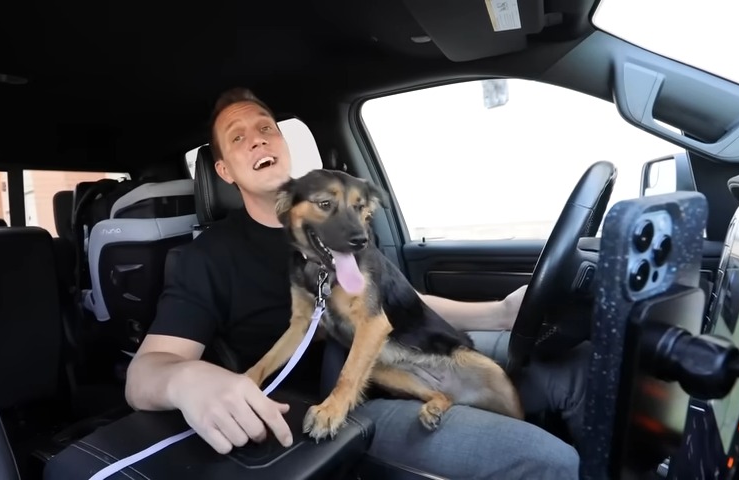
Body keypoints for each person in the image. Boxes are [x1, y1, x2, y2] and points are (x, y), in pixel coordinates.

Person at [124, 87, 588, 479]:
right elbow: (146, 372)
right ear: (224, 171)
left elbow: (395, 303)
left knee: (578, 371)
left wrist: (500, 313)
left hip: (405, 350)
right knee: (551, 462)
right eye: (238, 137)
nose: (257, 141)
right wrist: (187, 380)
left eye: (266, 129)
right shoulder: (208, 257)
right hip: (333, 405)